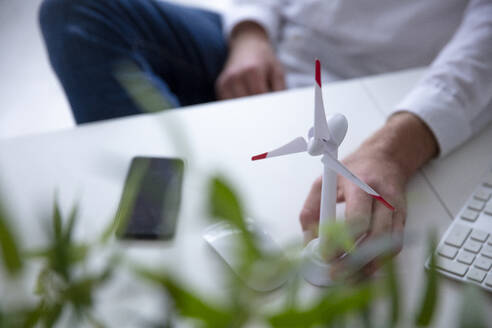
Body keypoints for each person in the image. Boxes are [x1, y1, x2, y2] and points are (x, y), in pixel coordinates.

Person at [39, 0, 492, 276]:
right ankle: (173, 214)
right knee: (75, 11)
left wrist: (396, 146)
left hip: (384, 86)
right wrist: (250, 32)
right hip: (272, 46)